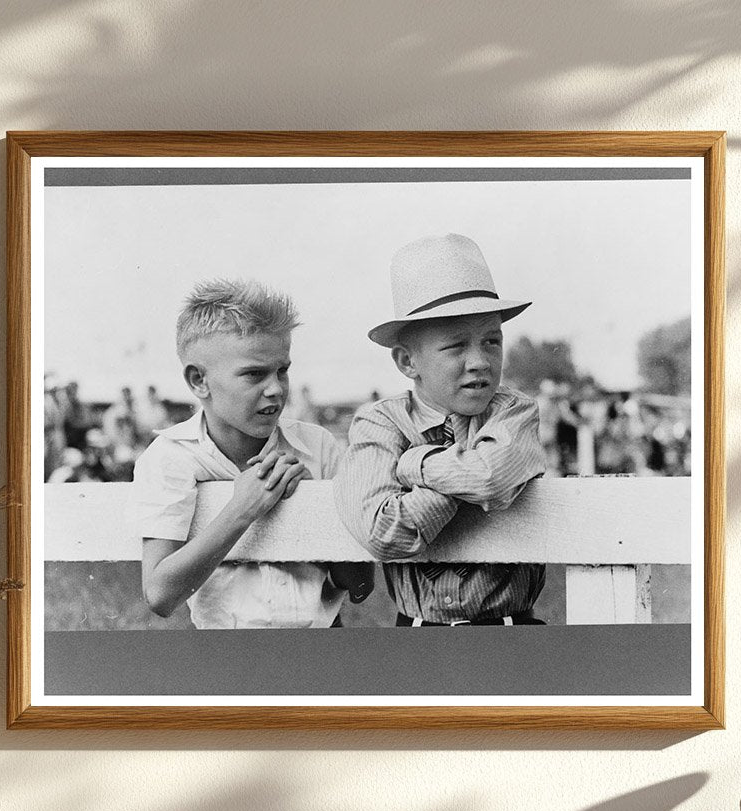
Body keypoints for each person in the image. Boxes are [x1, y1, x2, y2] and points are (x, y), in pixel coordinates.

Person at [129, 279, 373, 628]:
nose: (276, 389)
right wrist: (242, 508)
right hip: (229, 656)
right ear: (199, 380)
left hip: (324, 648)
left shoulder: (317, 446)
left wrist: (311, 506)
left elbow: (361, 585)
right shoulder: (170, 458)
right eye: (254, 375)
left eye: (283, 370)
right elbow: (160, 595)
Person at [334, 233, 547, 627]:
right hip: (418, 631)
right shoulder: (380, 422)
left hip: (512, 628)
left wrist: (417, 463)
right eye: (455, 346)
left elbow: (489, 477)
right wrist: (460, 473)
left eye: (491, 341)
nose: (480, 361)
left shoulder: (514, 410)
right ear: (406, 362)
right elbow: (382, 532)